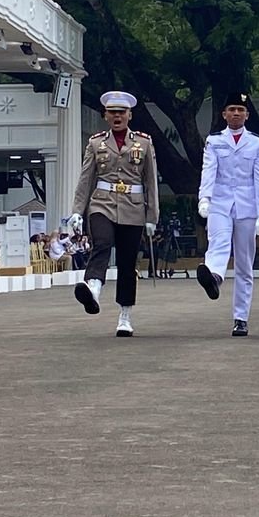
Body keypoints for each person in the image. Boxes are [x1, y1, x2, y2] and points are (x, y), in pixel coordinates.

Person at [69, 90, 159, 338]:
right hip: (102, 203)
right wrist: (77, 211)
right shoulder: (96, 143)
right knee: (102, 242)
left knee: (127, 263)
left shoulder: (144, 143)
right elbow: (86, 179)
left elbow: (150, 181)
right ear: (105, 115)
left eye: (121, 112)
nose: (117, 116)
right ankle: (93, 289)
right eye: (112, 113)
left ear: (130, 115)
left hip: (133, 207)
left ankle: (125, 315)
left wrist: (152, 217)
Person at [196, 91, 259, 338]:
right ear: (224, 114)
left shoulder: (257, 144)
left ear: (247, 115)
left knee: (244, 263)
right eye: (232, 109)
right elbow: (209, 171)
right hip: (220, 200)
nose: (236, 113)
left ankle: (241, 317)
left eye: (240, 110)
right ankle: (214, 276)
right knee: (218, 241)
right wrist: (204, 198)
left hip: (247, 205)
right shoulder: (214, 141)